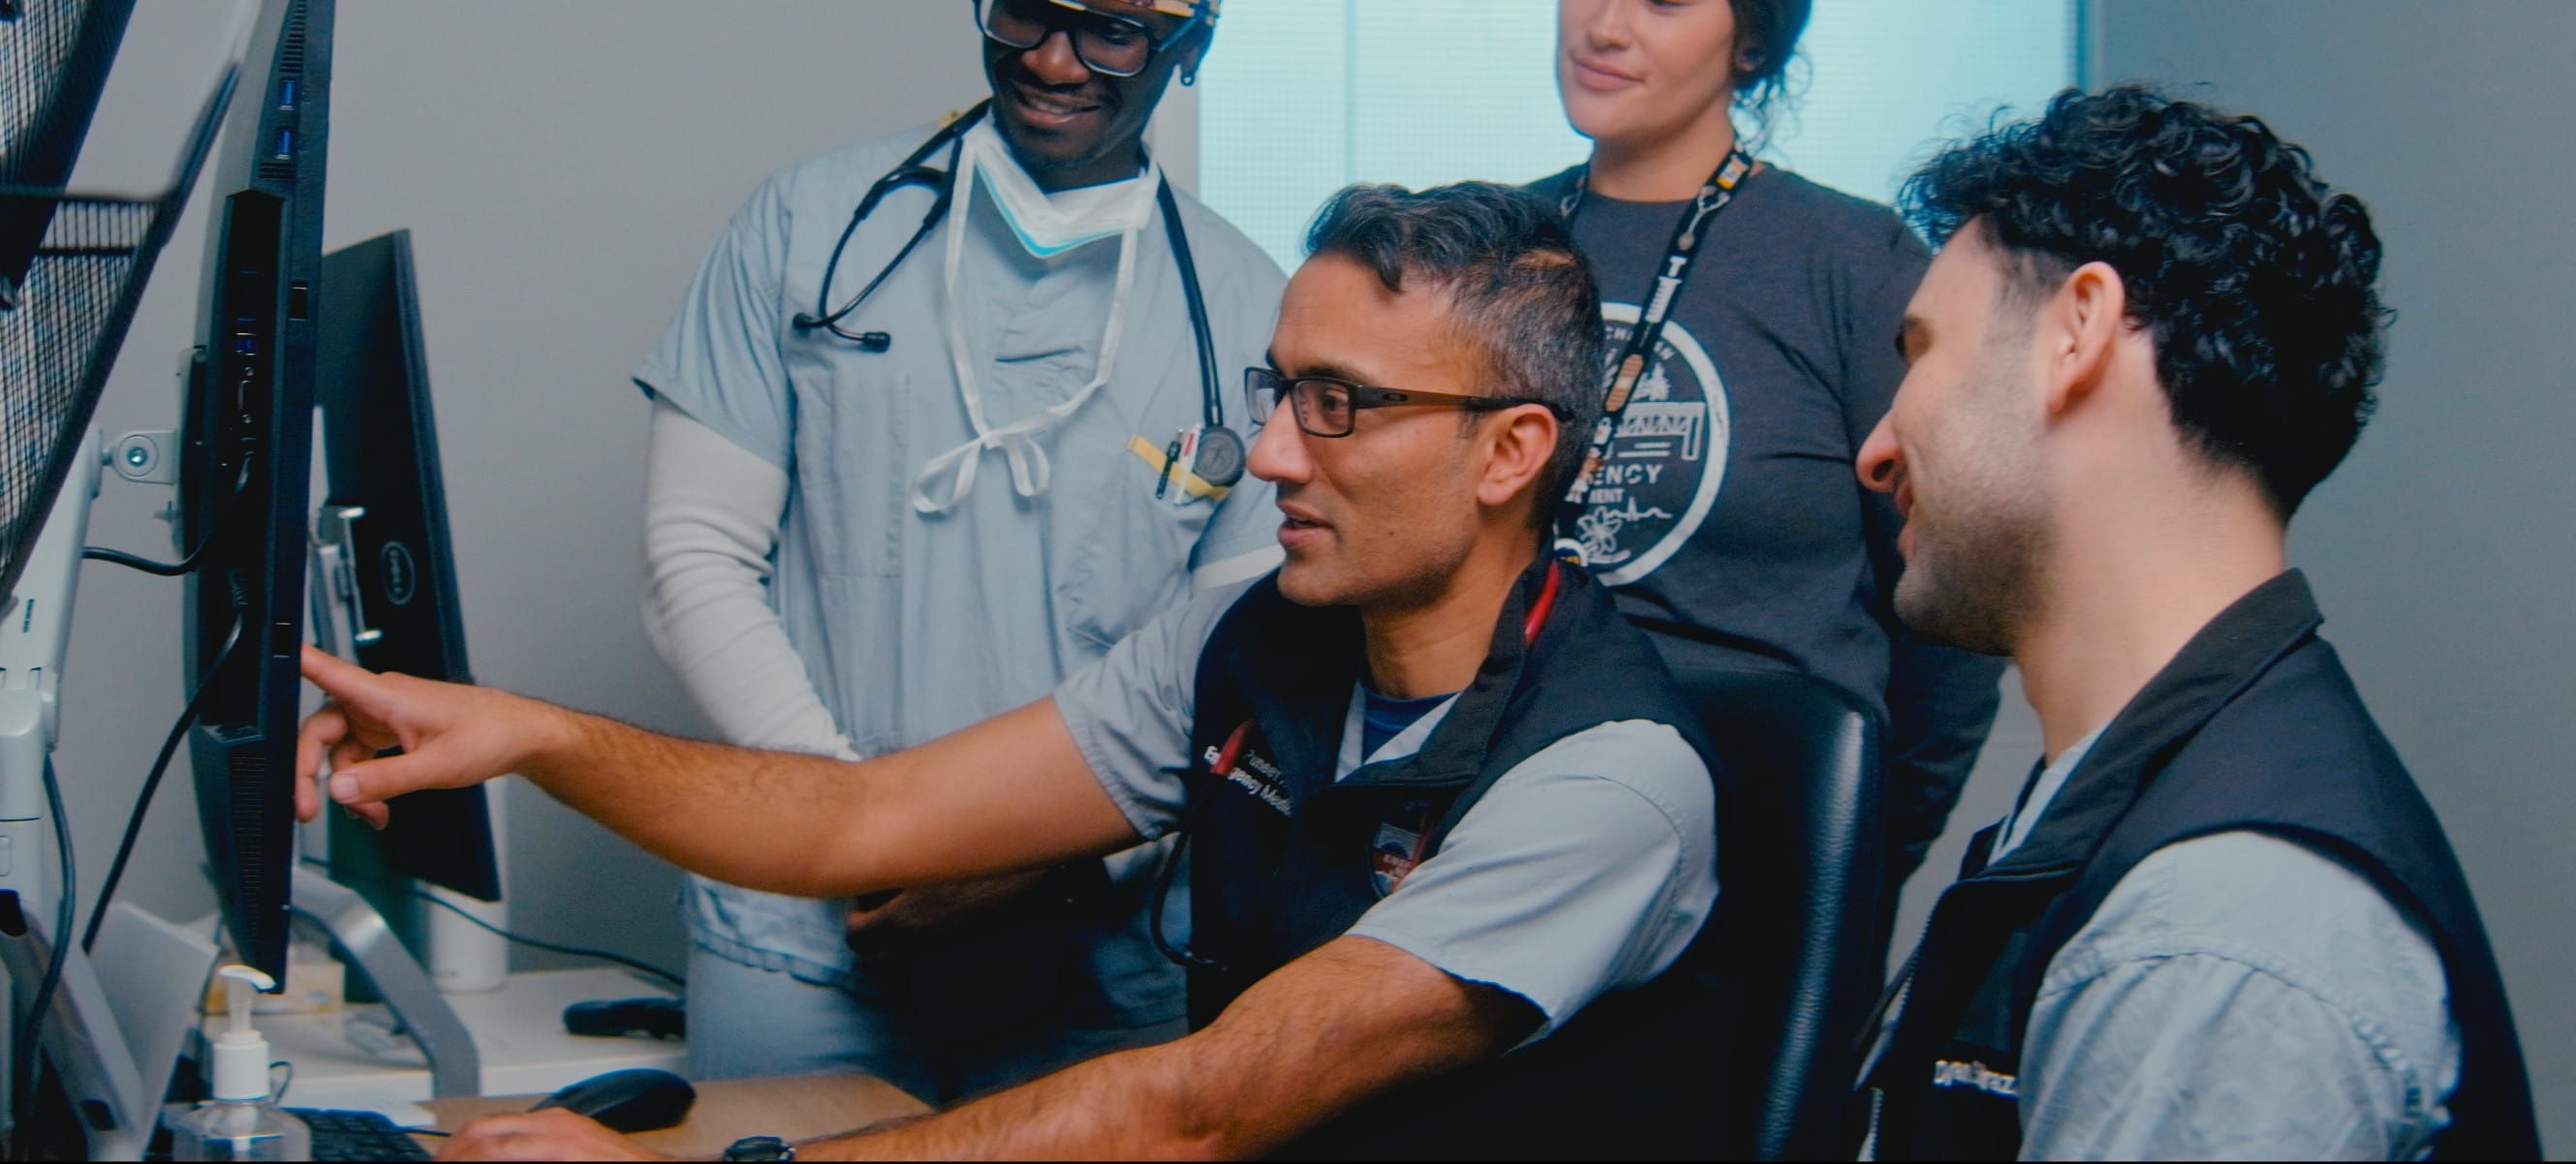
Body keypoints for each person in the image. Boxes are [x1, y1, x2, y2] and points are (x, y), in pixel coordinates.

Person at [295, 182, 1727, 1161]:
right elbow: (864, 819)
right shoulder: (1252, 637)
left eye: (1340, 404)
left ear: (1510, 451)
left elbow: (1201, 1109)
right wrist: (531, 735)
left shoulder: (1605, 783)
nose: (1271, 452)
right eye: (1280, 389)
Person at [632, 0, 1284, 1100]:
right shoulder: (809, 228)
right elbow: (690, 556)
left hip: (1092, 953)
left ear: (1192, 47)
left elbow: (1247, 664)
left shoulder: (1254, 315)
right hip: (804, 934)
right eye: (1025, 6)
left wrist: (1050, 860)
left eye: (1113, 31)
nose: (1052, 59)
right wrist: (851, 826)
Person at [1852, 85, 2540, 1159]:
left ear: (2076, 331)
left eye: (1922, 352)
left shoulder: (2213, 935)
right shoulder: (2128, 807)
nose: (1877, 450)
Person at [1532, 0, 2002, 893]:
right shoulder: (1494, 244)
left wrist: (1858, 865)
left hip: (1762, 866)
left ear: (1752, 35)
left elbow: (1955, 614)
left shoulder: (1853, 263)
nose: (1604, 24)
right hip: (1504, 832)